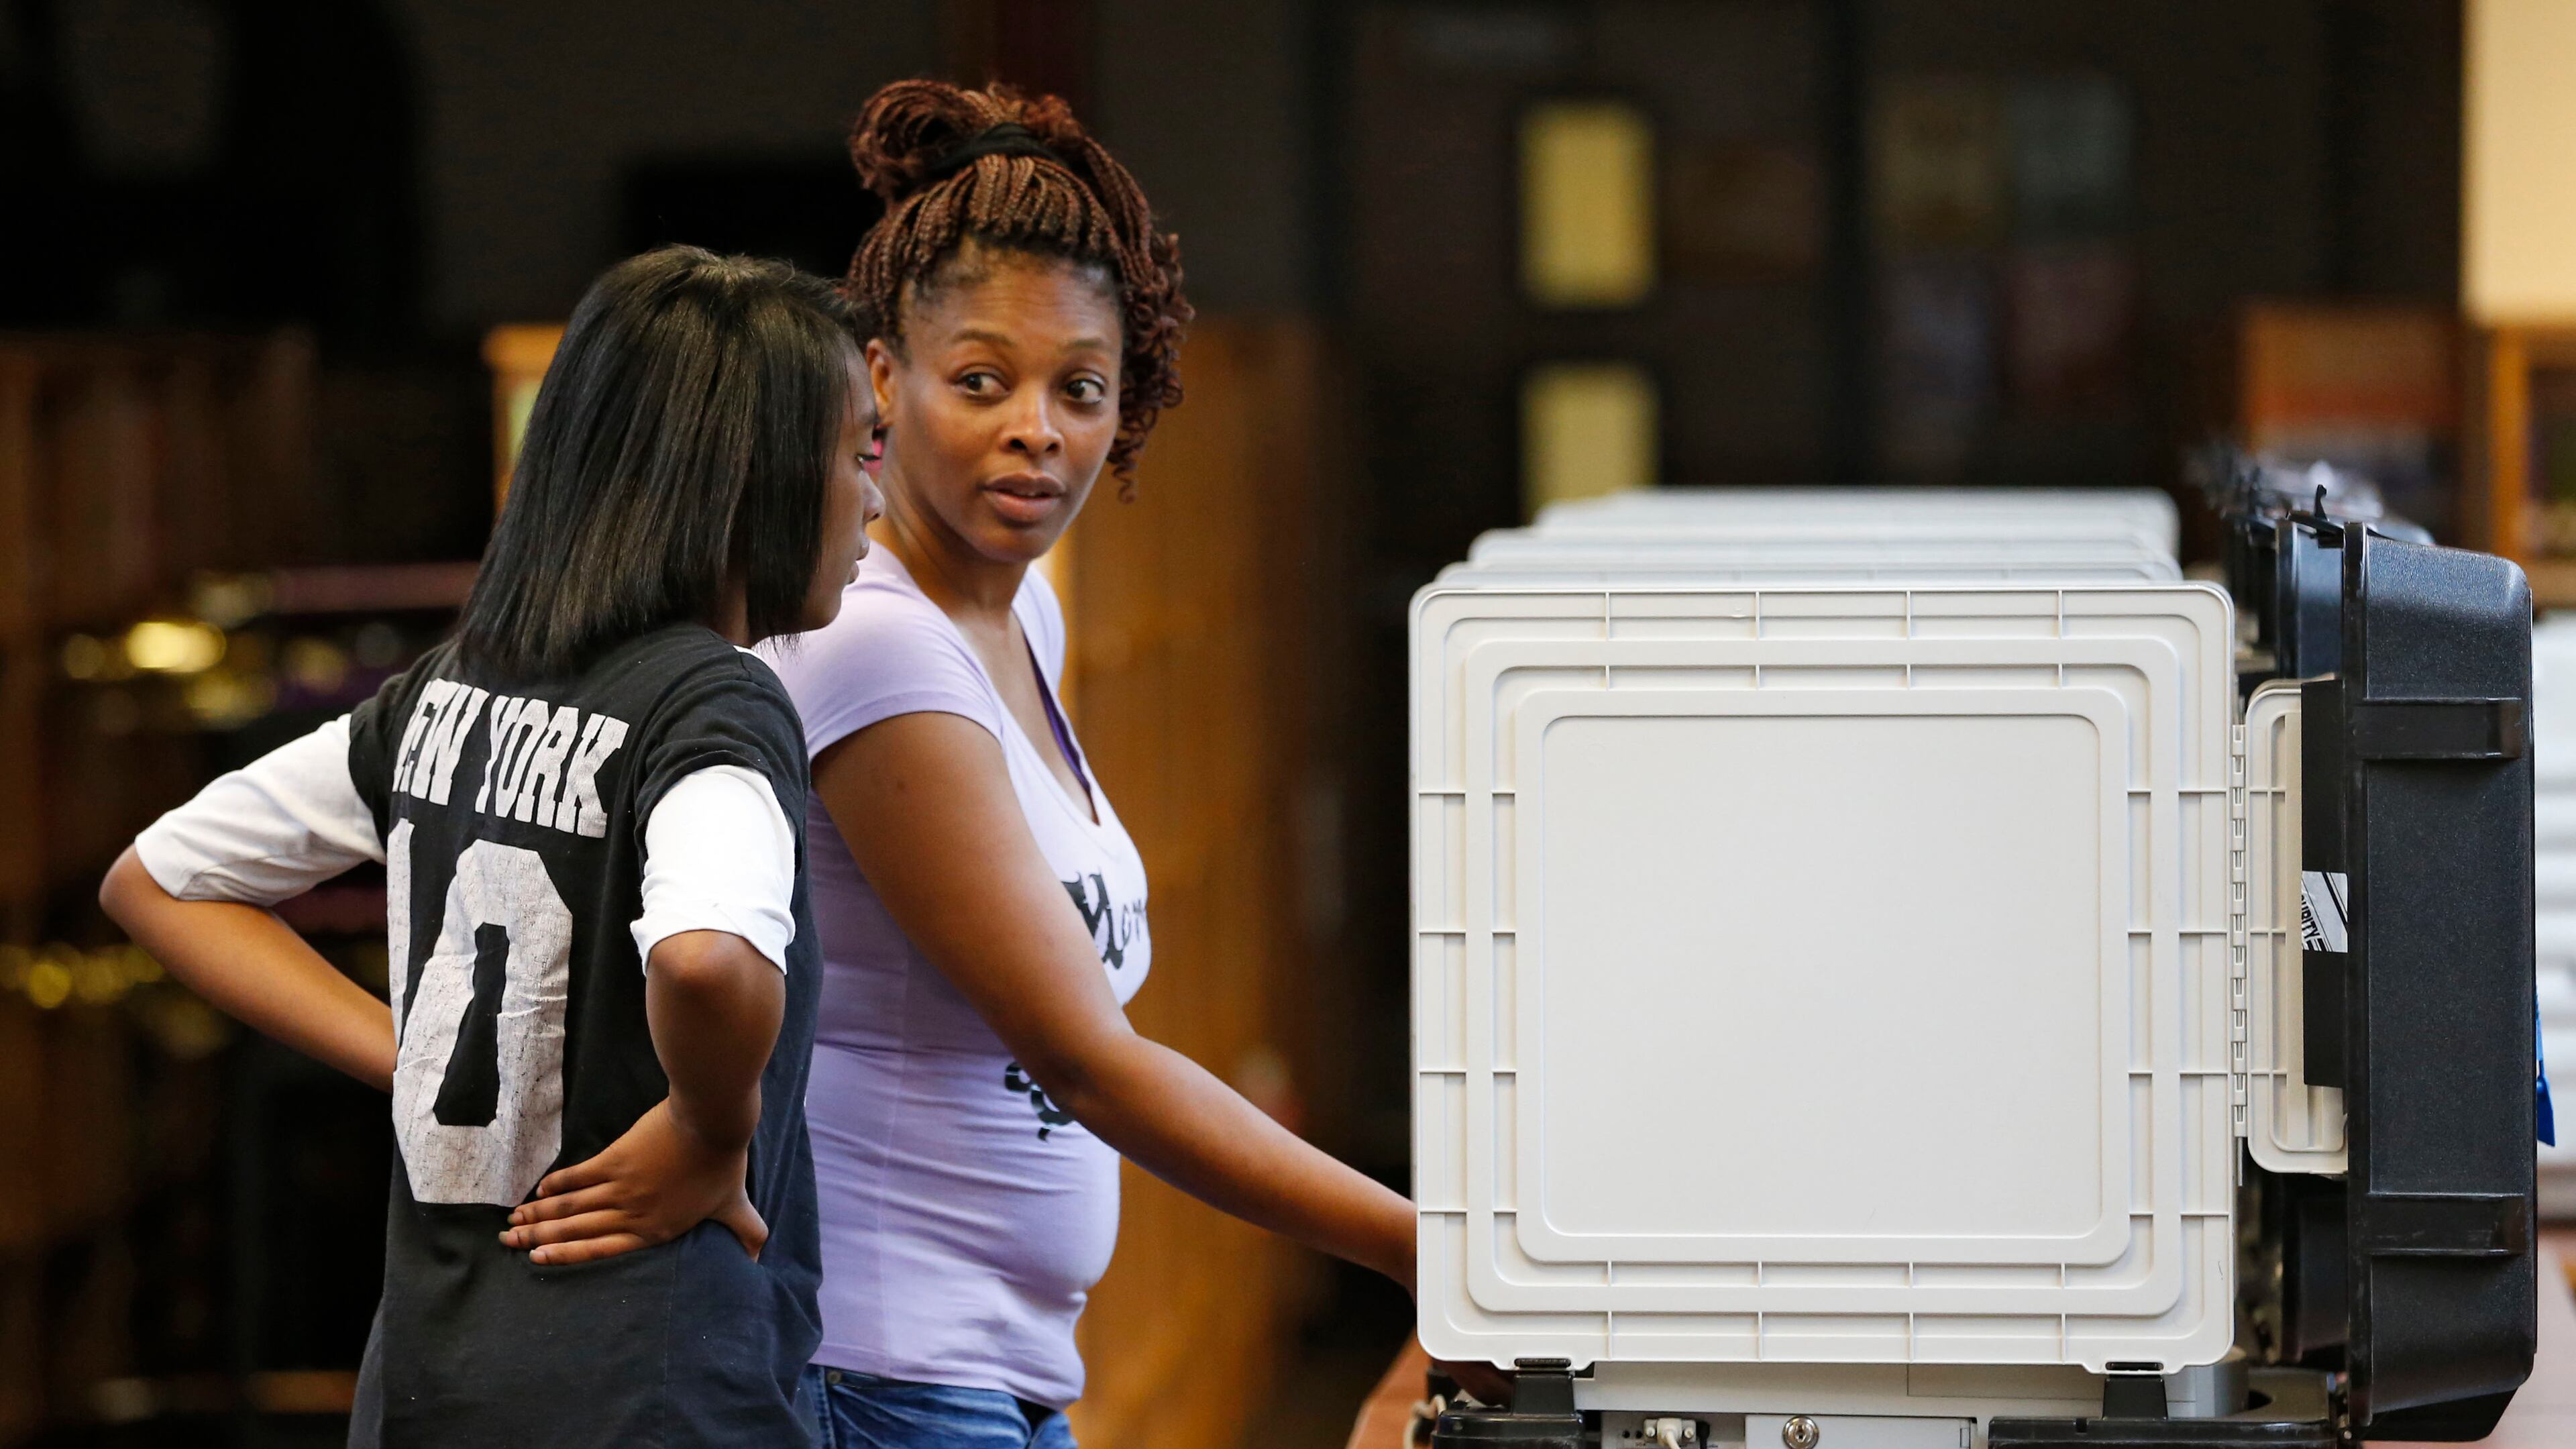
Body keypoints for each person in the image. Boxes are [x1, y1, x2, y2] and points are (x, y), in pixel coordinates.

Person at [99, 246, 882, 1448]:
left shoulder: (449, 691)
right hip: (650, 1391)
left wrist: (415, 1059)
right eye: (858, 453)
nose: (872, 497)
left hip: (428, 1379)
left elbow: (158, 878)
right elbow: (708, 962)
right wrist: (709, 1128)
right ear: (758, 474)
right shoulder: (711, 703)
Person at [764, 80, 1432, 1449]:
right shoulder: (879, 652)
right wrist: (1428, 1249)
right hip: (881, 1377)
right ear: (883, 380)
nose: (1037, 428)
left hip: (986, 1377)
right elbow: (1086, 1058)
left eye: (1081, 388)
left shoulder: (1026, 613)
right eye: (981, 381)